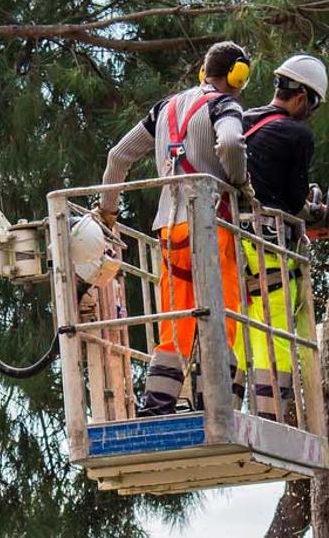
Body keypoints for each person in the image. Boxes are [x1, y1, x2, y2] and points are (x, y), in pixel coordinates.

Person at [97, 41, 250, 416]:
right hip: (213, 223)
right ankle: (215, 403)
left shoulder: (164, 108)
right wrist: (240, 182)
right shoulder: (224, 104)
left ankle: (159, 402)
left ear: (203, 70)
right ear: (238, 76)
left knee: (176, 317)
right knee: (222, 310)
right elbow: (231, 142)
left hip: (168, 227)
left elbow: (118, 156)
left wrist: (108, 212)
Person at [232, 54, 328, 418]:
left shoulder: (241, 120)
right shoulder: (297, 134)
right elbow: (291, 199)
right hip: (267, 243)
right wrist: (316, 214)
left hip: (229, 238)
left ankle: (223, 402)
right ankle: (270, 413)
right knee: (275, 326)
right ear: (303, 98)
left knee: (237, 321)